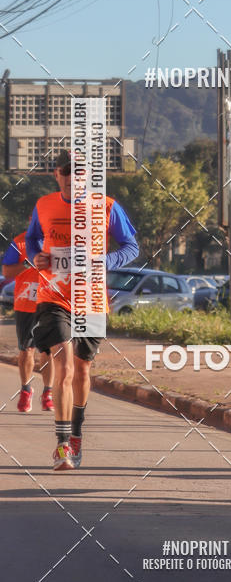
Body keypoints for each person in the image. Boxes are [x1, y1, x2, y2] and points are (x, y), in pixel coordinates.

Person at [26, 149, 139, 471]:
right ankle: (62, 445)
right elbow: (33, 240)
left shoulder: (106, 206)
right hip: (54, 296)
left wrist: (105, 260)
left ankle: (76, 433)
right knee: (64, 366)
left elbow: (130, 246)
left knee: (83, 369)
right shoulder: (44, 205)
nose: (74, 176)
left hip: (90, 299)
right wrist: (36, 258)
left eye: (80, 171)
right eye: (67, 170)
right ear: (57, 174)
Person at [1, 230, 54, 412]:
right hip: (26, 304)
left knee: (48, 351)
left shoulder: (57, 239)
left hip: (50, 302)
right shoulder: (20, 242)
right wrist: (27, 263)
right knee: (26, 351)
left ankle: (48, 393)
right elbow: (6, 271)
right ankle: (26, 390)